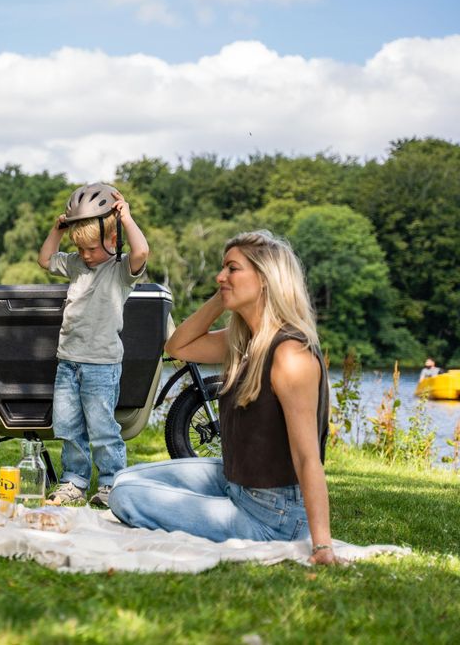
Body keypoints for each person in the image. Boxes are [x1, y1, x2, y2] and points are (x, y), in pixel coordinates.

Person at [108, 230, 342, 565]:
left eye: (232, 269)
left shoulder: (290, 354)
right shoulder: (245, 340)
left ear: (265, 279)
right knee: (124, 479)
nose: (220, 276)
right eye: (223, 269)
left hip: (272, 516)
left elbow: (308, 458)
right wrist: (224, 295)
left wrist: (321, 546)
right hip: (234, 481)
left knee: (125, 496)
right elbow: (177, 347)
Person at [37, 183, 149, 507]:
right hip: (68, 361)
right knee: (68, 426)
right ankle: (74, 481)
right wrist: (57, 229)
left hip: (101, 364)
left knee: (102, 429)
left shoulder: (120, 270)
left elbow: (142, 252)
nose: (86, 256)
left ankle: (112, 484)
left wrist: (126, 218)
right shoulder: (76, 264)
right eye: (81, 249)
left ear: (113, 241)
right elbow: (45, 259)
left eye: (92, 249)